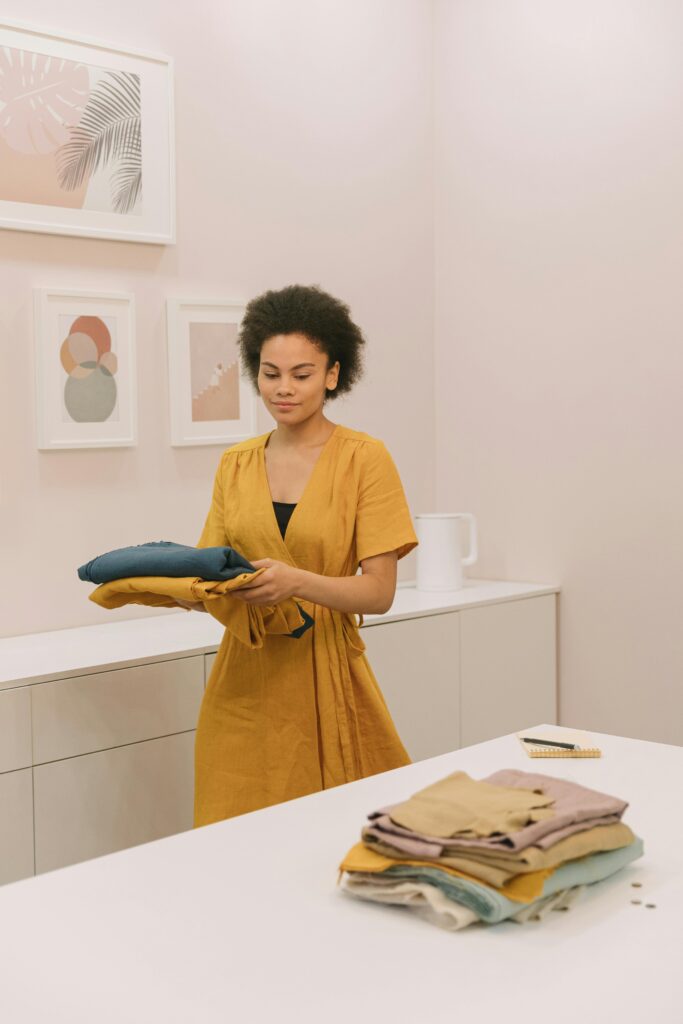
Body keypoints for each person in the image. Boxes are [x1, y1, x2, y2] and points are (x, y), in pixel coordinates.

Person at [185, 283, 418, 827]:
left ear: (333, 374)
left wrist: (296, 582)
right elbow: (207, 571)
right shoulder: (235, 463)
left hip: (327, 678)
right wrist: (180, 588)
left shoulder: (365, 458)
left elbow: (379, 592)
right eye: (270, 373)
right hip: (243, 681)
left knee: (330, 840)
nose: (283, 389)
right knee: (234, 838)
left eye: (301, 374)